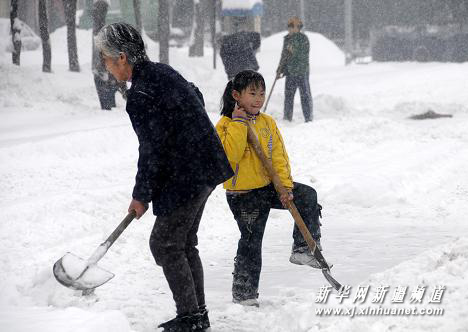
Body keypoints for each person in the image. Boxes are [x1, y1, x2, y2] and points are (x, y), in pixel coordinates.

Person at [95, 22, 234, 332]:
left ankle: (191, 318)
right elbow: (194, 95)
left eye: (105, 57)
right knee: (183, 243)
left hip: (188, 172)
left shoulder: (142, 94)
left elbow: (152, 150)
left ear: (121, 57)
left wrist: (141, 195)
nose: (104, 64)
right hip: (204, 164)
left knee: (165, 243)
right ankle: (197, 315)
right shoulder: (160, 72)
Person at [215, 70, 323, 307]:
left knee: (307, 196)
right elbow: (230, 155)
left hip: (267, 187)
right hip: (243, 195)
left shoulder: (267, 123)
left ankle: (304, 247)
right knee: (252, 240)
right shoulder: (225, 125)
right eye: (252, 93)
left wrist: (285, 186)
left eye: (261, 94)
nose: (258, 99)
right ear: (236, 95)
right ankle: (245, 294)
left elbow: (279, 157)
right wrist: (239, 124)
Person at [276, 16, 313, 122]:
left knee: (305, 95)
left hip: (302, 71)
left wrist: (293, 50)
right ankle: (287, 118)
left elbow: (303, 54)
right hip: (290, 72)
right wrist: (280, 69)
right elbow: (284, 55)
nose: (290, 29)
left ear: (298, 27)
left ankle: (308, 118)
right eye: (289, 26)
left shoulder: (303, 39)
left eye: (293, 26)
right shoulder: (287, 39)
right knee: (288, 96)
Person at [91, 0, 126, 110]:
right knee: (107, 106)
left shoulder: (101, 33)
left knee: (108, 106)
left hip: (105, 74)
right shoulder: (100, 33)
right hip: (104, 74)